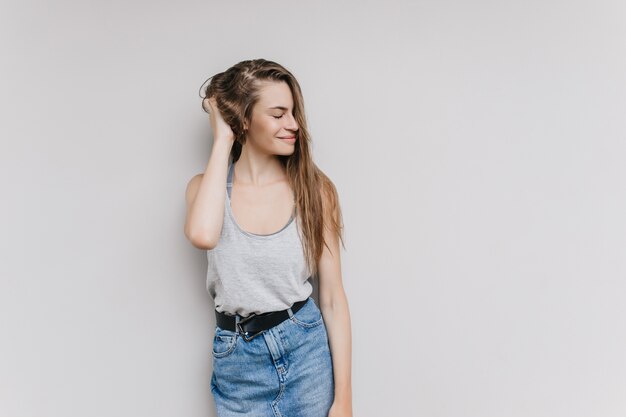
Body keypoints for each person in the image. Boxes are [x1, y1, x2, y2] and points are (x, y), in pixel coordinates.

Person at [184, 59, 353, 417]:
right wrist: (224, 136)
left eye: (293, 113)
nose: (293, 125)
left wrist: (344, 399)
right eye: (278, 114)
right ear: (244, 120)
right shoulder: (204, 190)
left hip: (306, 354)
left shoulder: (315, 191)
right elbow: (202, 234)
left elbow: (333, 298)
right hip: (239, 368)